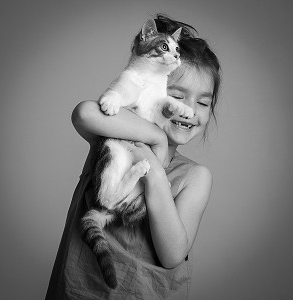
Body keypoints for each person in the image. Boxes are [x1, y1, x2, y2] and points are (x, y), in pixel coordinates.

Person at [46, 14, 221, 300]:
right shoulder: (117, 137)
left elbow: (173, 255)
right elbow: (83, 113)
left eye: (203, 102)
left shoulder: (195, 177)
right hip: (78, 289)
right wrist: (157, 137)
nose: (188, 109)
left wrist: (154, 171)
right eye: (177, 95)